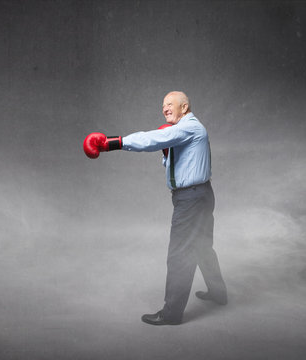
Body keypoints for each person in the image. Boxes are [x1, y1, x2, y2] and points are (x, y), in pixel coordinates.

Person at [83, 91, 227, 325]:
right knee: (202, 247)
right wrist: (166, 154)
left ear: (185, 106)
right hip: (201, 195)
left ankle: (171, 314)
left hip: (190, 199)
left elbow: (151, 139)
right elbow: (174, 160)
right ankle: (219, 294)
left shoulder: (189, 127)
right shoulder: (186, 130)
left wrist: (112, 143)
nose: (165, 108)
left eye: (170, 104)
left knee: (180, 254)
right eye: (163, 105)